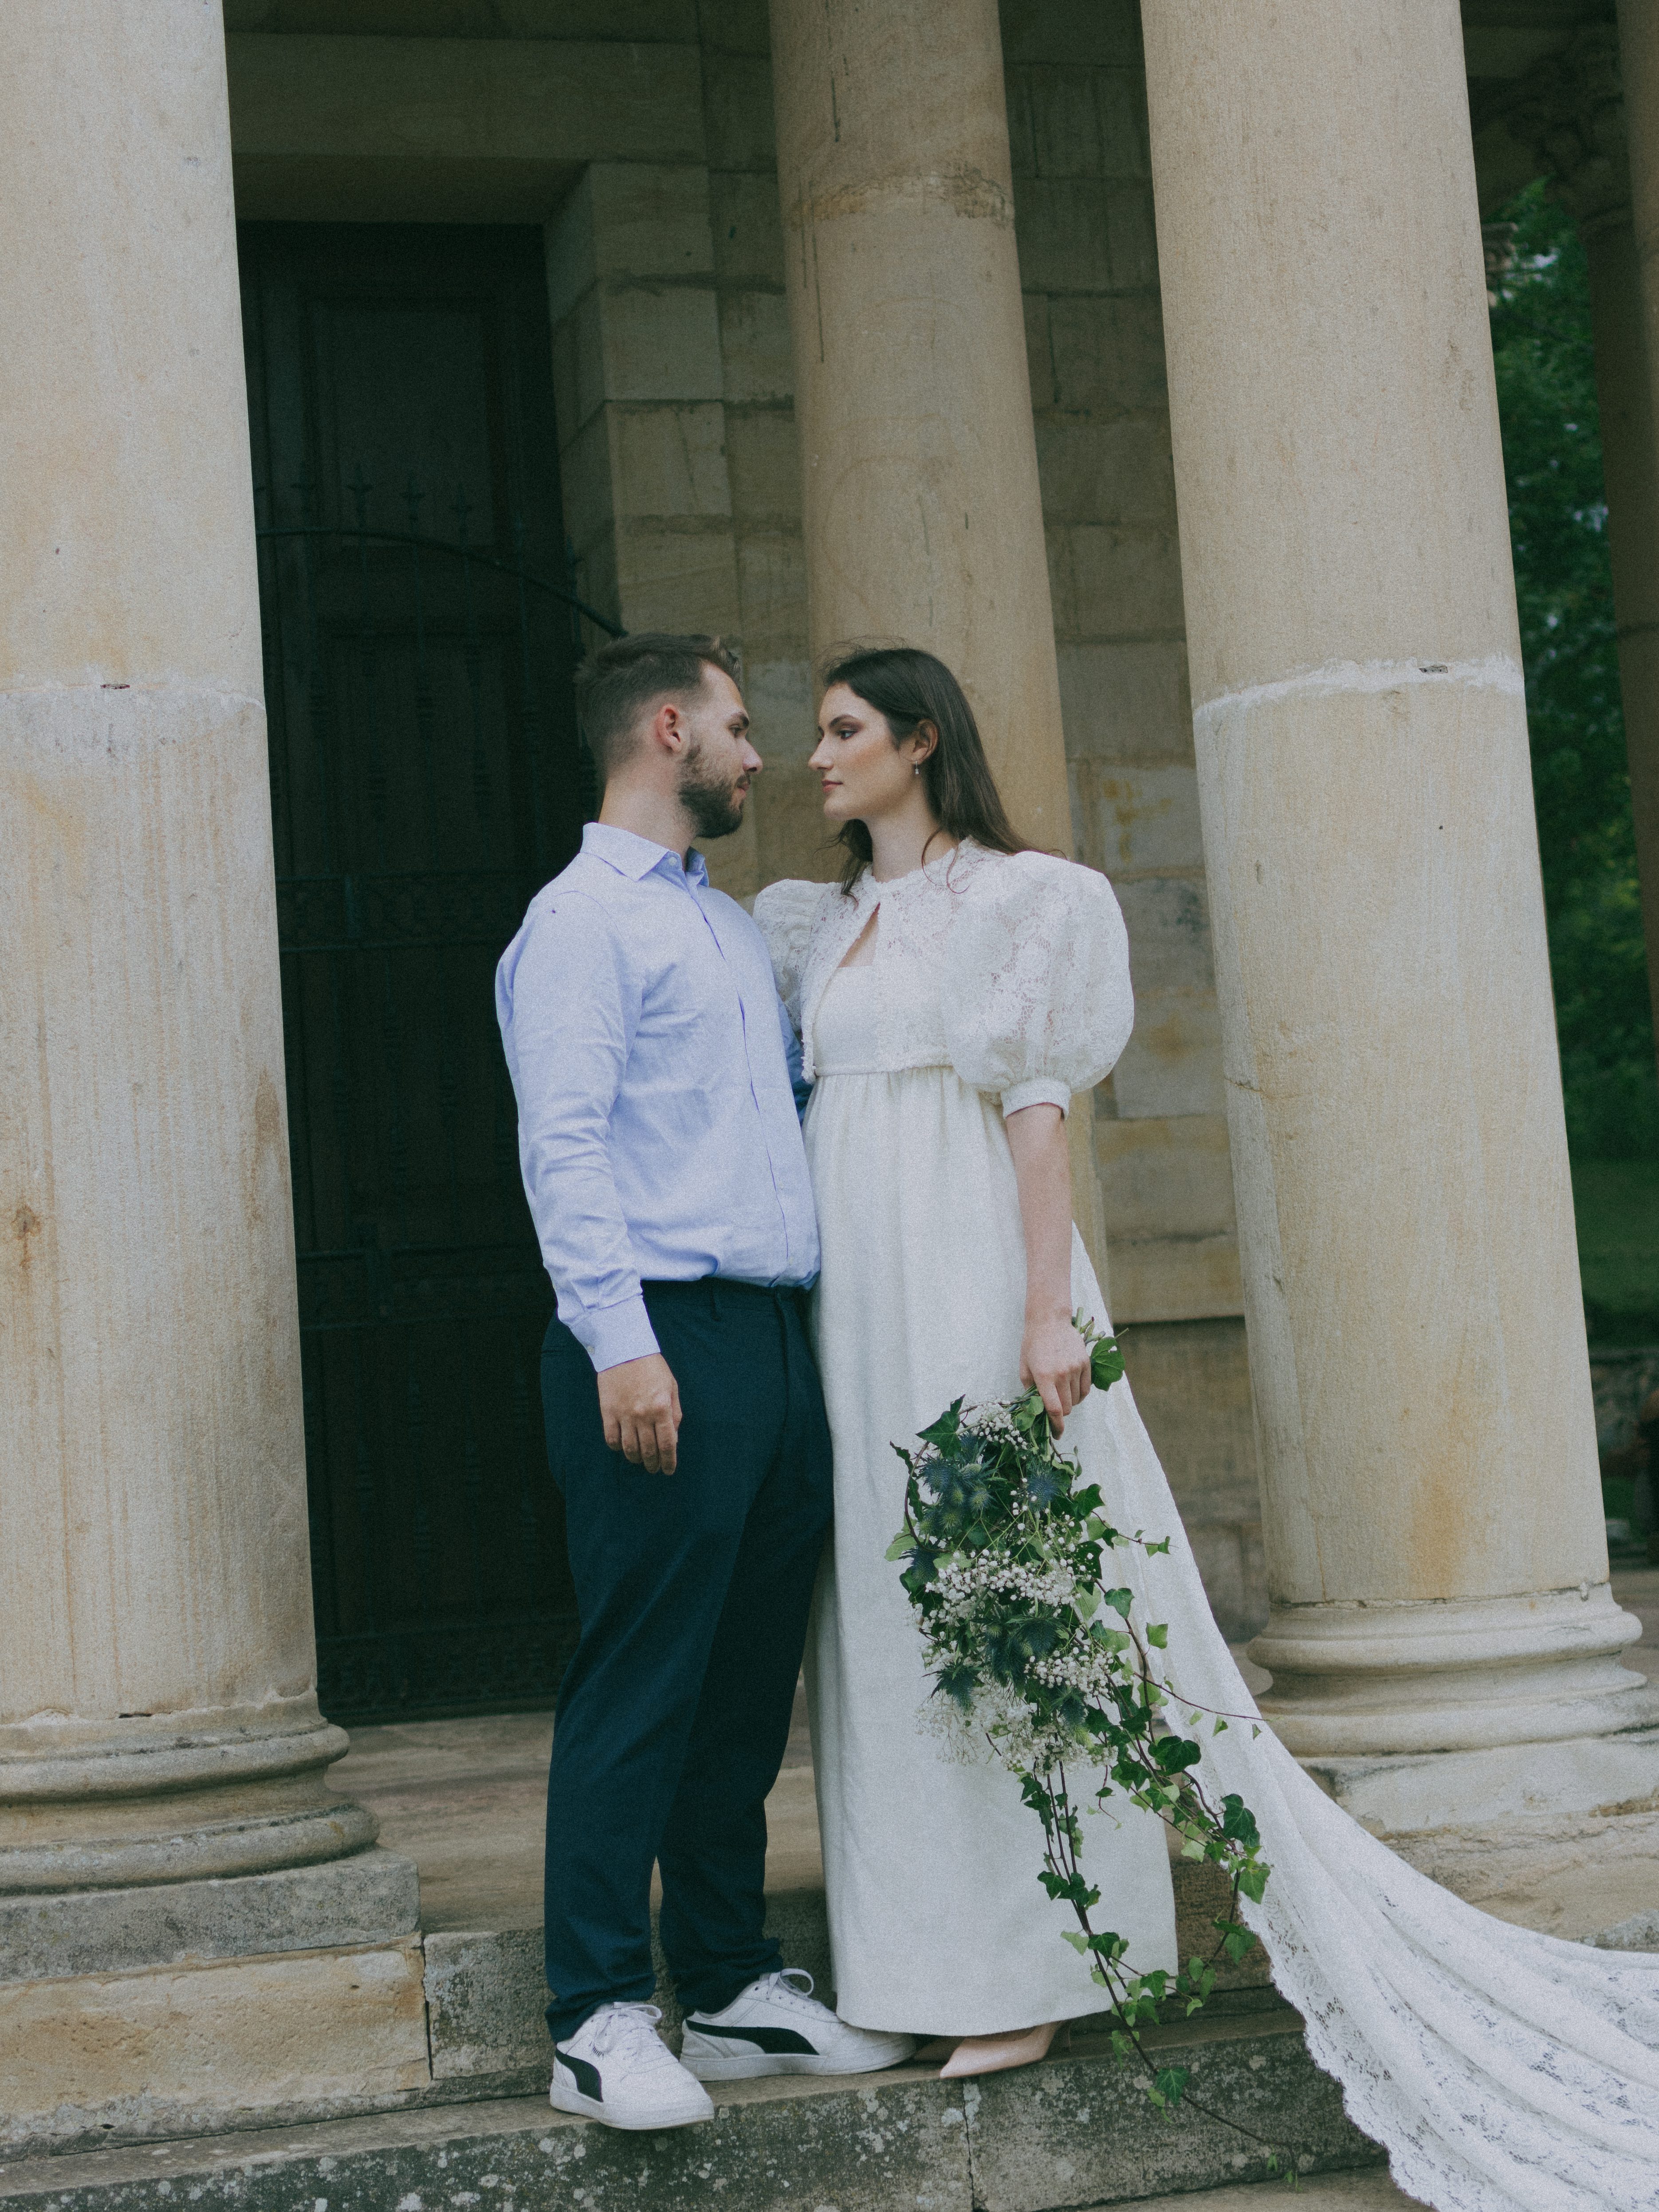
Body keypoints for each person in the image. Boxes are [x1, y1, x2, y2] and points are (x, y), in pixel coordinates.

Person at [755, 646, 1659, 2200]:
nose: (812, 756)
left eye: (841, 731)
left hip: (968, 1266)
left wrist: (1044, 1311)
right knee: (890, 1617)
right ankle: (913, 1965)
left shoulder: (1021, 900)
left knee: (1013, 1609)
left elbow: (1032, 1117)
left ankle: (1025, 1972)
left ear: (919, 739)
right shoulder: (814, 921)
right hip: (855, 1301)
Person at [496, 633, 914, 2133]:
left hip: (768, 1339)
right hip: (651, 1336)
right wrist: (621, 1341)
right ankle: (596, 2014)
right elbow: (567, 1145)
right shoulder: (576, 925)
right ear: (666, 730)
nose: (762, 756)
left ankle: (729, 1984)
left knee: (745, 1682)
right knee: (640, 1679)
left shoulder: (729, 930)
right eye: (739, 730)